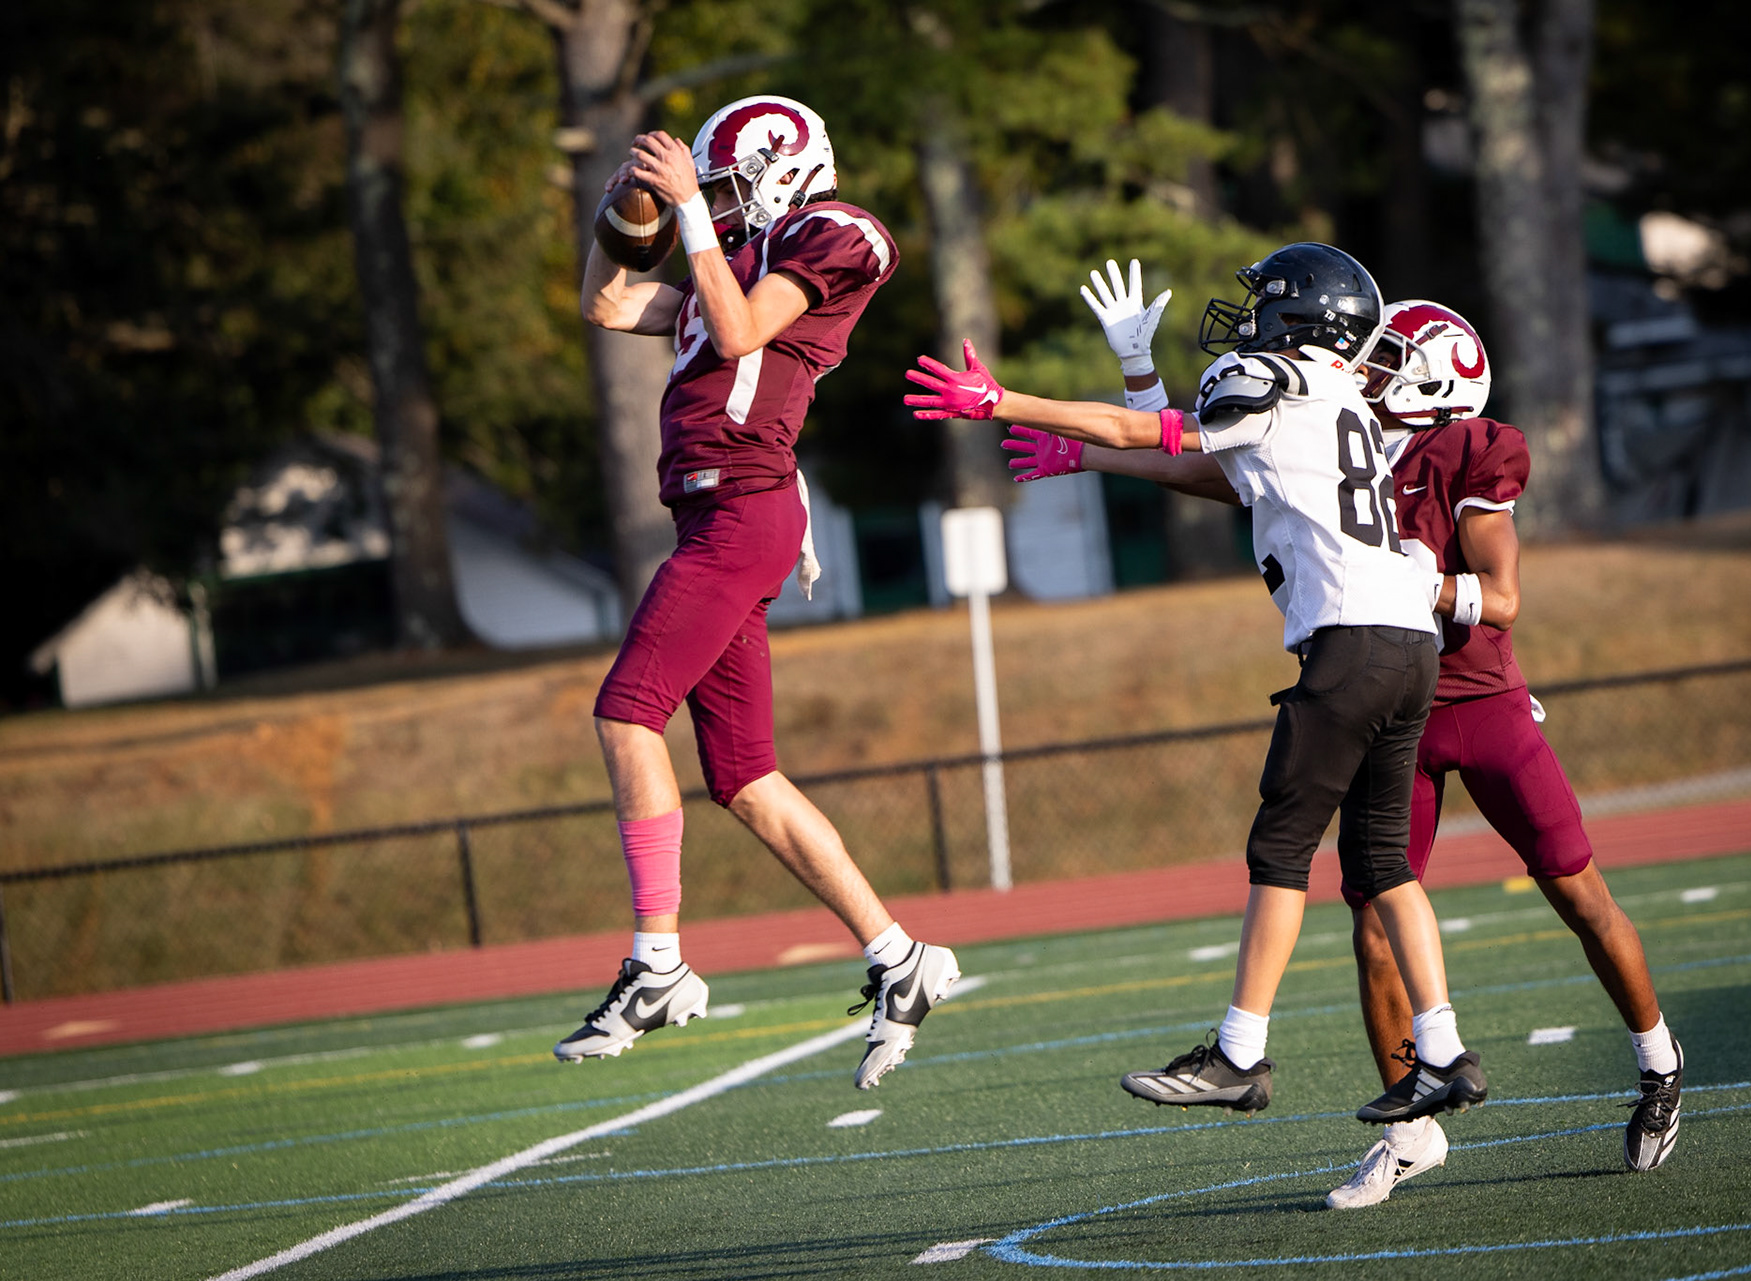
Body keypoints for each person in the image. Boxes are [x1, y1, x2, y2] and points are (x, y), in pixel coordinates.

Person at [1018, 272, 1684, 1201]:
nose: (1365, 368)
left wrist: (1425, 586)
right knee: (1372, 909)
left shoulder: (1467, 449)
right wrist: (1093, 443)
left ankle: (1658, 1061)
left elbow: (1506, 599)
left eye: (1390, 361)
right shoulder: (1329, 422)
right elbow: (1198, 459)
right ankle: (1410, 1118)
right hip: (1389, 695)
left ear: (1433, 381)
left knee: (1578, 892)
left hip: (1471, 696)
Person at [905, 244, 1489, 1126]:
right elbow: (1203, 460)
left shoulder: (1273, 378)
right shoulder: (1340, 400)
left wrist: (1003, 402)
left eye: (1267, 302)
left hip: (1350, 641)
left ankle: (1238, 1053)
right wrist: (1130, 382)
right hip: (1409, 643)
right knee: (1382, 862)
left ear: (1304, 318)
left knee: (1280, 850)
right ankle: (1443, 1052)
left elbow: (1162, 436)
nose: (1249, 316)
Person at [563, 94, 959, 1089]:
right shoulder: (731, 257)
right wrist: (619, 217)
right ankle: (899, 957)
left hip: (745, 505)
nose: (727, 205)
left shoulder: (841, 234)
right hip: (712, 513)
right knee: (743, 778)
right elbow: (608, 306)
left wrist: (692, 214)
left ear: (784, 168)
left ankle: (658, 965)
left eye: (736, 185)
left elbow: (739, 337)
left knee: (626, 714)